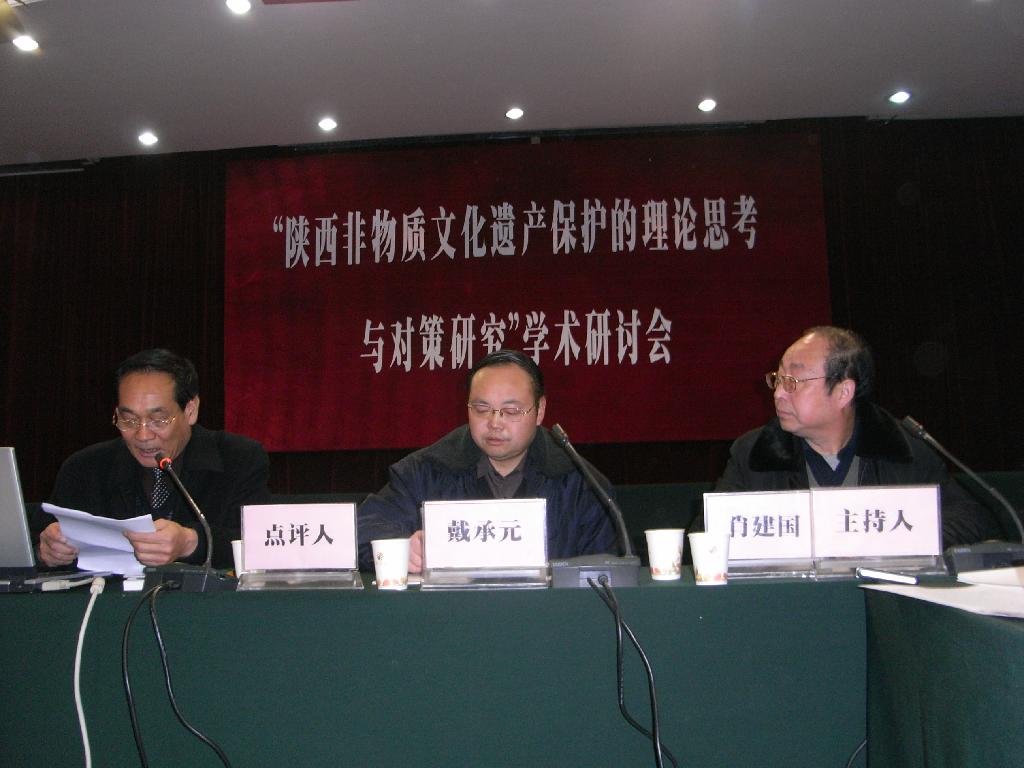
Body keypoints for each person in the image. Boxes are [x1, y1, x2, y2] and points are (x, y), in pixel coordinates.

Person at [711, 326, 1003, 547]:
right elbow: (708, 534)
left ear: (843, 392)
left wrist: (881, 538)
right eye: (777, 379)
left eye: (793, 382)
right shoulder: (754, 452)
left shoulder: (902, 450)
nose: (778, 394)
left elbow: (973, 521)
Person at [357, 349, 619, 572]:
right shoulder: (425, 471)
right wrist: (401, 549)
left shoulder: (582, 484)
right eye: (481, 409)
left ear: (539, 411)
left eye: (511, 411)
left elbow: (608, 570)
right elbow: (361, 533)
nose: (495, 422)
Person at [37, 349, 270, 570]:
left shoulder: (239, 458)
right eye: (129, 420)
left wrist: (191, 542)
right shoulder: (84, 468)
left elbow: (262, 545)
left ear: (190, 411)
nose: (143, 435)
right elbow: (38, 540)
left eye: (158, 420)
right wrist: (47, 550)